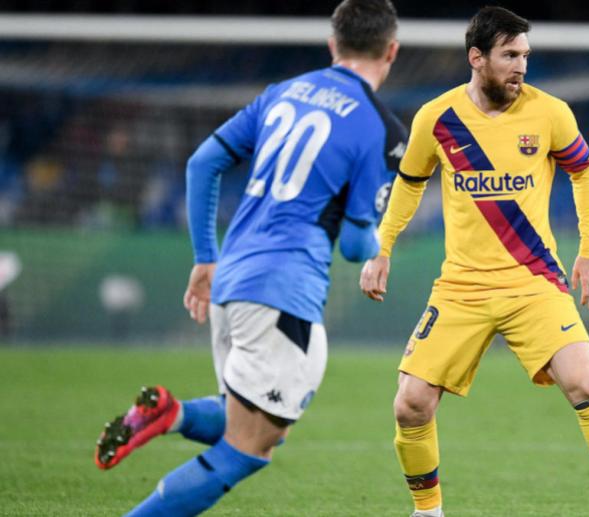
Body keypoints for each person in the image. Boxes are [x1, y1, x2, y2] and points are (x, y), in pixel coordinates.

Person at [92, 1, 406, 515]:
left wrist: (205, 258)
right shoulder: (381, 128)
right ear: (391, 50)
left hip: (231, 277)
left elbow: (202, 163)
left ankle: (169, 414)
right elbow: (353, 246)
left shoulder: (282, 92)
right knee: (247, 448)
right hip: (282, 291)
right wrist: (381, 245)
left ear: (332, 44)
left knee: (254, 419)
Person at [359, 7, 589, 517]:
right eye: (509, 55)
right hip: (462, 287)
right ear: (476, 58)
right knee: (410, 403)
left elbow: (584, 172)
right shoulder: (436, 118)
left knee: (583, 381)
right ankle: (427, 512)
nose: (520, 66)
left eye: (525, 55)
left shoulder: (550, 113)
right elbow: (409, 184)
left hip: (534, 281)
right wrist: (382, 247)